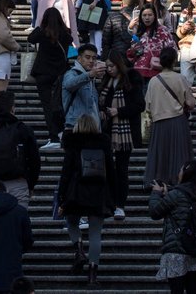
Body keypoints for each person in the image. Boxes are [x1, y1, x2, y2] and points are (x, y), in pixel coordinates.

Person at [58, 112, 115, 286]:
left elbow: (66, 171)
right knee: (96, 233)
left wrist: (61, 196)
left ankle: (79, 248)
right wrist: (114, 197)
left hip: (76, 192)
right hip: (99, 192)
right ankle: (92, 275)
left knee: (71, 221)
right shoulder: (103, 143)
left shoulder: (73, 143)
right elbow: (111, 170)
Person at [148, 159, 196, 294]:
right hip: (195, 250)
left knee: (176, 290)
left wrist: (156, 193)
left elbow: (154, 212)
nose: (179, 173)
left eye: (181, 170)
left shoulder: (176, 194)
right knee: (193, 290)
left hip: (176, 250)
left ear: (186, 173)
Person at [143, 45, 195, 188]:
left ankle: (159, 183)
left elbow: (147, 106)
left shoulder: (153, 81)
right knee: (179, 154)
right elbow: (191, 103)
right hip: (178, 121)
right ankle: (179, 182)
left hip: (159, 123)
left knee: (161, 155)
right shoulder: (180, 78)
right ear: (174, 61)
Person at [0, 88, 40, 205]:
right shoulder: (23, 130)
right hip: (18, 183)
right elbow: (35, 160)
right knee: (18, 215)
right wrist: (31, 184)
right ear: (12, 108)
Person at [98, 49, 137, 218]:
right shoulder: (106, 80)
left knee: (121, 169)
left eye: (112, 66)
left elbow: (139, 104)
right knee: (107, 168)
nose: (109, 69)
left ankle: (120, 204)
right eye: (107, 66)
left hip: (124, 131)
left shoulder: (132, 78)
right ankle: (109, 202)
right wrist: (102, 110)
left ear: (119, 65)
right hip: (106, 129)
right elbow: (100, 100)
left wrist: (118, 111)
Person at [29, 4, 69, 150]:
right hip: (60, 73)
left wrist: (39, 26)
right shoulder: (66, 33)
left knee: (47, 106)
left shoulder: (42, 32)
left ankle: (54, 136)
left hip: (43, 73)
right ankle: (61, 132)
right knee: (59, 103)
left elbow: (30, 38)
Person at [63, 42, 106, 131]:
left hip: (91, 127)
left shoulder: (91, 77)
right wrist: (90, 75)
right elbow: (69, 84)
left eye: (94, 58)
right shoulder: (71, 73)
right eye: (87, 57)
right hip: (75, 126)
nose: (91, 61)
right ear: (79, 58)